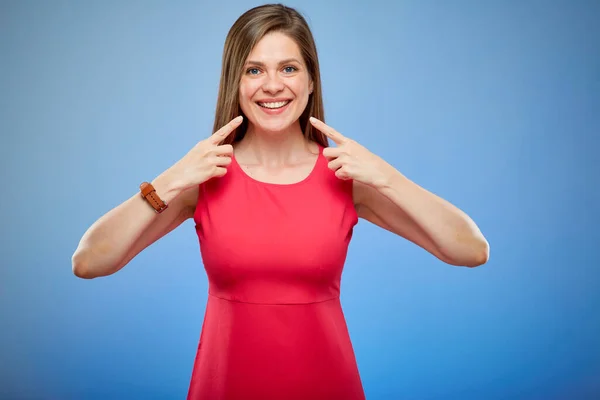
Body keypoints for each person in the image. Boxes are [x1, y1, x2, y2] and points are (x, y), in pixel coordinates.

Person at [71, 3, 490, 399]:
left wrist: (388, 176)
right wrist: (170, 179)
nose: (273, 85)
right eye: (255, 69)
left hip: (326, 382)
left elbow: (470, 250)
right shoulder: (202, 178)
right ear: (235, 80)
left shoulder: (346, 177)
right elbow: (90, 261)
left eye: (289, 68)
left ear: (311, 81)